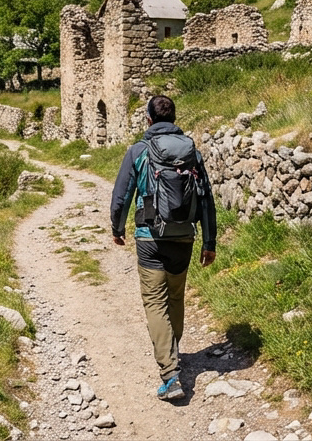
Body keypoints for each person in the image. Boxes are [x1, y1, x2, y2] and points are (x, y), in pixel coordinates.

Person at [109, 95, 216, 402]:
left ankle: (170, 375)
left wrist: (117, 229)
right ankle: (172, 348)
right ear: (174, 119)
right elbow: (206, 198)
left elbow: (121, 196)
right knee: (176, 296)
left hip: (149, 238)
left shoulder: (139, 151)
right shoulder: (192, 151)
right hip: (184, 236)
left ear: (148, 120)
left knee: (155, 303)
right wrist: (209, 242)